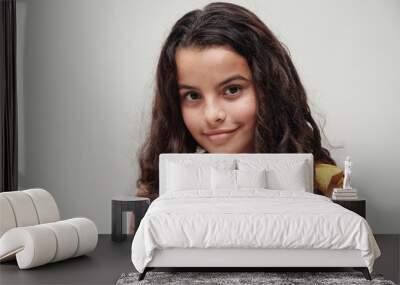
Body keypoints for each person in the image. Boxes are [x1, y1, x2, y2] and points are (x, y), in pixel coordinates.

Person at [135, 2, 343, 201]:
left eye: (232, 90)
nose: (212, 115)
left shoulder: (327, 185)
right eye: (193, 96)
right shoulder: (162, 190)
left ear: (270, 89)